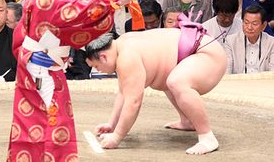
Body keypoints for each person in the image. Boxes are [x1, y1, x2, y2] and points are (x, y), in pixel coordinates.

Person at [7, 0, 141, 161]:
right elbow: (81, 12)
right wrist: (115, 1)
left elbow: (28, 35)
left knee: (32, 119)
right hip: (43, 69)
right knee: (53, 118)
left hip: (37, 65)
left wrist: (49, 55)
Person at [85, 24, 227, 155]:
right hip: (195, 55)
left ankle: (207, 137)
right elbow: (124, 92)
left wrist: (117, 137)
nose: (98, 70)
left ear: (103, 57)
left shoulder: (126, 57)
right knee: (169, 77)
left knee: (176, 81)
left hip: (207, 55)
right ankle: (187, 121)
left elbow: (134, 101)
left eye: (96, 66)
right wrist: (112, 125)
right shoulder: (122, 44)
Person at [224, 4, 274, 74]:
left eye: (254, 24)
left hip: (263, 83)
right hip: (238, 83)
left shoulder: (271, 43)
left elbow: (272, 73)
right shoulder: (231, 41)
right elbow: (227, 72)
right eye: (246, 23)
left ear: (264, 26)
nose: (249, 27)